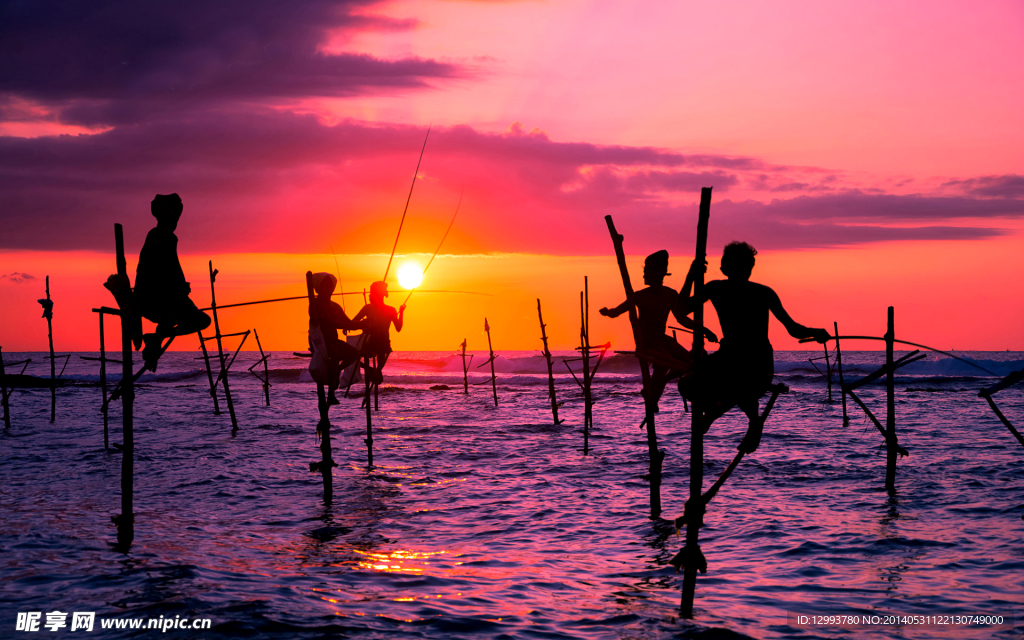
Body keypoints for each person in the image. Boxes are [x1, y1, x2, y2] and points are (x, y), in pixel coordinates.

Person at [677, 241, 830, 453]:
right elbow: (794, 330)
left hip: (753, 366)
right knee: (689, 384)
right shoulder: (745, 291)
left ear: (726, 267)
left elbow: (680, 310)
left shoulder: (727, 289)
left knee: (732, 384)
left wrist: (691, 276)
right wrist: (816, 332)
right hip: (735, 360)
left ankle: (730, 416)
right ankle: (731, 414)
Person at [600, 250, 717, 411]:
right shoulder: (639, 296)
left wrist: (704, 330)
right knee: (662, 365)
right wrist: (607, 312)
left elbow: (681, 319)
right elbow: (616, 312)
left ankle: (660, 383)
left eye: (646, 272)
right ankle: (652, 397)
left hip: (663, 339)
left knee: (691, 362)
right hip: (648, 340)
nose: (643, 276)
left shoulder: (670, 294)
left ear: (656, 274)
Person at [133, 194, 211, 369]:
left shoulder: (156, 235)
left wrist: (179, 286)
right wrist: (181, 287)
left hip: (154, 297)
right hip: (157, 298)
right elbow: (171, 268)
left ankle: (157, 339)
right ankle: (159, 338)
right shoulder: (164, 236)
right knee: (202, 320)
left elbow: (169, 270)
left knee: (174, 318)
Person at [308, 272, 365, 404]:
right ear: (318, 288)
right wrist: (357, 324)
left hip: (333, 340)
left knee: (354, 354)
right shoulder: (315, 304)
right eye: (325, 286)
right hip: (320, 341)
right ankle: (331, 395)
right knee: (335, 355)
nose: (328, 289)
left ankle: (336, 372)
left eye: (330, 286)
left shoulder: (335, 306)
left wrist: (362, 324)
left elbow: (348, 322)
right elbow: (332, 323)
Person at [353, 281, 405, 367]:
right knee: (382, 352)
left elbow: (354, 322)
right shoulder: (390, 309)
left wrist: (401, 312)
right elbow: (399, 328)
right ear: (381, 293)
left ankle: (373, 371)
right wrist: (365, 323)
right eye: (385, 289)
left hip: (375, 343)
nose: (387, 291)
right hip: (377, 343)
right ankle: (375, 371)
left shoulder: (368, 308)